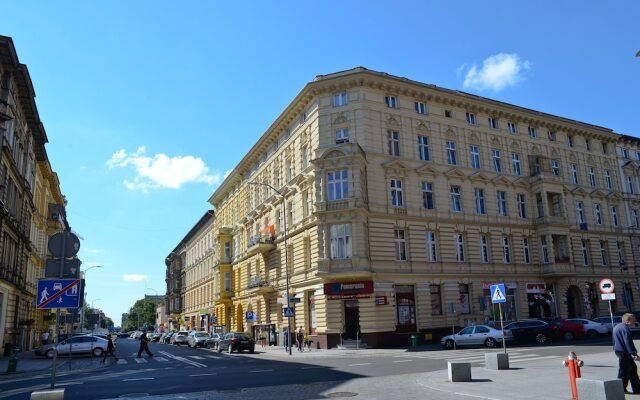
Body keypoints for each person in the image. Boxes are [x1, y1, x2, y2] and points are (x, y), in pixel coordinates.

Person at [613, 313, 640, 393]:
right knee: (624, 371)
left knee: (632, 370)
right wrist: (634, 353)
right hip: (624, 352)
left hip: (620, 351)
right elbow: (628, 342)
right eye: (633, 319)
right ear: (627, 321)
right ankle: (620, 389)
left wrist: (615, 349)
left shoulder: (617, 327)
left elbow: (613, 341)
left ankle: (637, 389)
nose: (635, 321)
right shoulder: (625, 328)